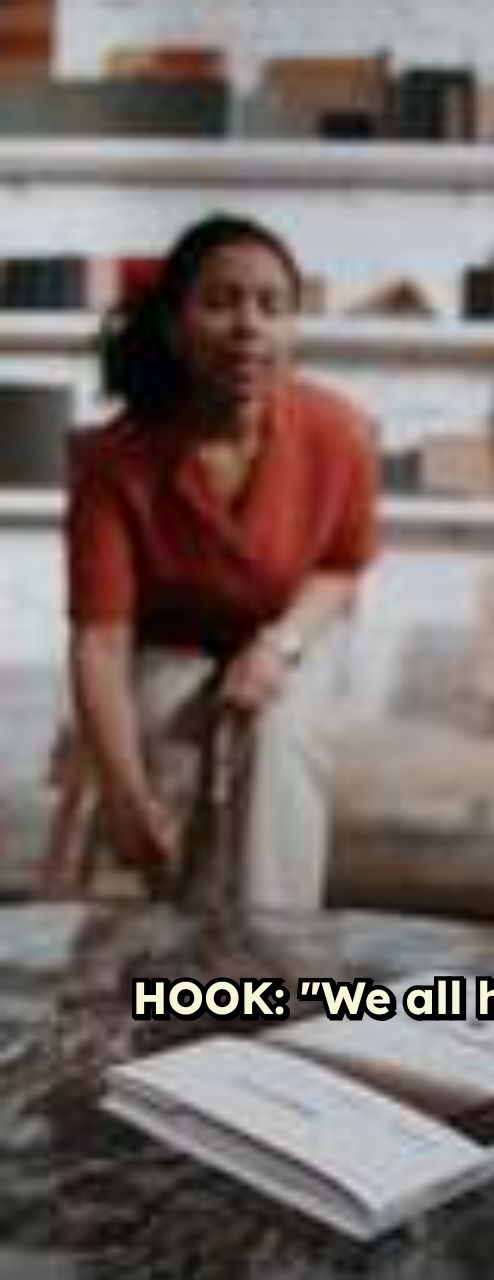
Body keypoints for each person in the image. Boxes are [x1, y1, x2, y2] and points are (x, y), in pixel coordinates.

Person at [41, 213, 378, 912]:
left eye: (272, 306)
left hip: (293, 625)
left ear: (293, 330)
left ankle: (272, 951)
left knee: (278, 732)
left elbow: (343, 568)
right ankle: (181, 953)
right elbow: (101, 642)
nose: (249, 325)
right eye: (222, 302)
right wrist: (124, 797)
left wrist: (278, 647)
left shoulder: (339, 431)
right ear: (174, 326)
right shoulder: (113, 461)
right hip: (171, 639)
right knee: (162, 736)